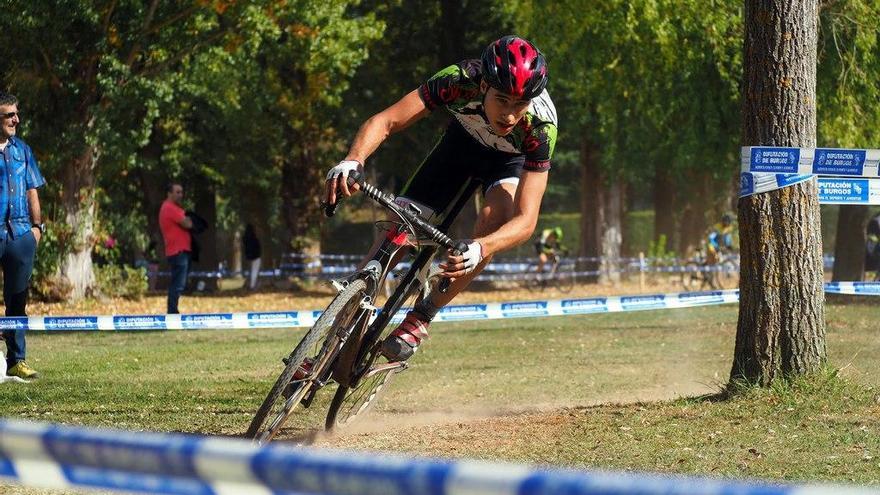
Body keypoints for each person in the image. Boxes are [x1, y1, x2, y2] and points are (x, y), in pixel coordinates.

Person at [325, 35, 556, 362]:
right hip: (460, 145)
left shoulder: (541, 127)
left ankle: (421, 317)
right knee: (398, 227)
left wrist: (481, 248)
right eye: (502, 100)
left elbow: (526, 220)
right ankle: (334, 331)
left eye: (520, 104)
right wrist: (352, 160)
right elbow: (386, 120)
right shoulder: (458, 80)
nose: (509, 115)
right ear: (484, 86)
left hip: (510, 159)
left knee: (495, 218)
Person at [0, 92, 46, 380]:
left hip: (20, 233)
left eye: (16, 114)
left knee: (17, 300)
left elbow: (33, 189)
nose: (15, 119)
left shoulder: (23, 150)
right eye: (9, 115)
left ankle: (17, 360)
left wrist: (37, 229)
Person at [159, 182, 193, 314]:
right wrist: (188, 219)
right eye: (177, 192)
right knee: (177, 285)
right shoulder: (169, 208)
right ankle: (172, 313)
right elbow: (187, 224)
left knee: (178, 283)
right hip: (178, 251)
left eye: (181, 192)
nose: (180, 195)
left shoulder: (171, 207)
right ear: (169, 193)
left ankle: (173, 311)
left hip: (179, 251)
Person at [242, 223, 262, 290]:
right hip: (256, 257)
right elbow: (257, 247)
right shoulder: (254, 238)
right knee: (254, 271)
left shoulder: (245, 238)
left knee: (250, 271)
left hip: (248, 257)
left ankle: (249, 284)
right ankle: (252, 286)